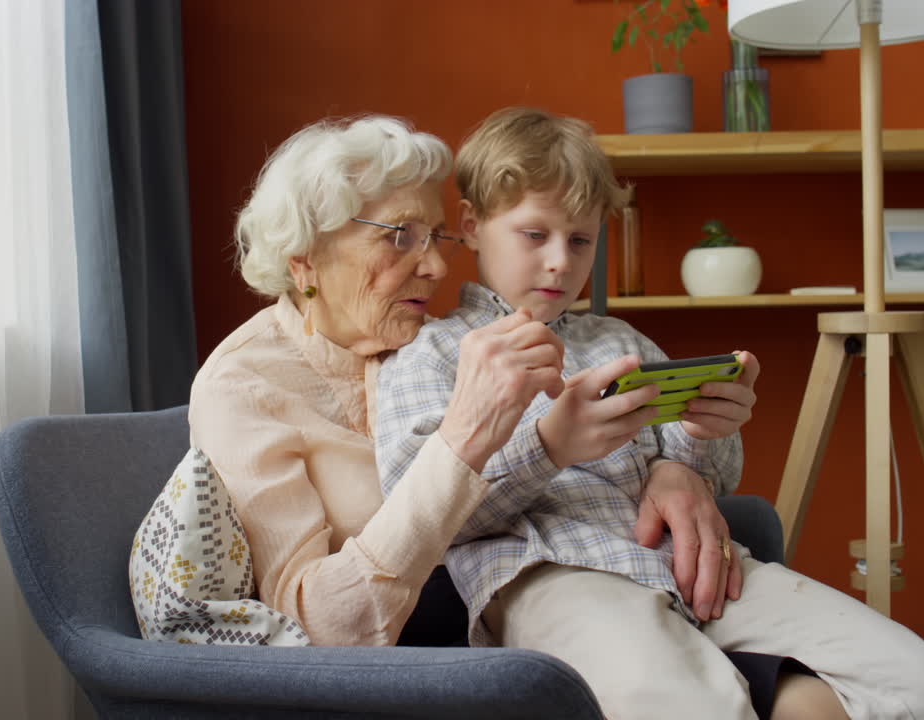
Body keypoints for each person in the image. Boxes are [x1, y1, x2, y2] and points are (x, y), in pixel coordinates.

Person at [373, 106, 924, 720]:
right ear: (472, 224)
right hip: (554, 572)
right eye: (536, 235)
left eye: (581, 239)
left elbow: (717, 473)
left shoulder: (621, 341)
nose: (561, 260)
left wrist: (698, 433)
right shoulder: (432, 353)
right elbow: (417, 518)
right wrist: (548, 444)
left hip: (699, 565)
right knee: (691, 707)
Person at [185, 114, 716, 651]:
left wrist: (672, 466)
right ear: (306, 259)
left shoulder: (432, 344)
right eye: (401, 237)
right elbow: (311, 628)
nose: (438, 267)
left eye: (435, 237)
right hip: (436, 667)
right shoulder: (242, 387)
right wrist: (462, 442)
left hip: (586, 608)